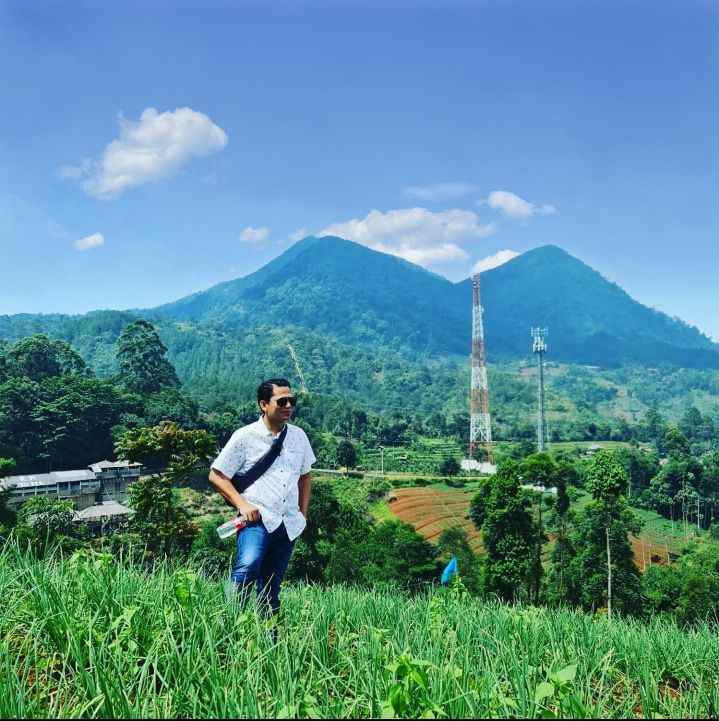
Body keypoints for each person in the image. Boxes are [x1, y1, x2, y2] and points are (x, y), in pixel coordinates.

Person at [208, 378, 315, 614]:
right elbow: (216, 475)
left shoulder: (299, 436)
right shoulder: (245, 437)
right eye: (282, 401)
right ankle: (229, 621)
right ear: (263, 405)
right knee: (248, 566)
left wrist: (303, 513)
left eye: (292, 401)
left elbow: (305, 476)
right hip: (257, 519)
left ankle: (269, 632)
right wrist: (243, 504)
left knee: (271, 587)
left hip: (288, 523)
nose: (289, 406)